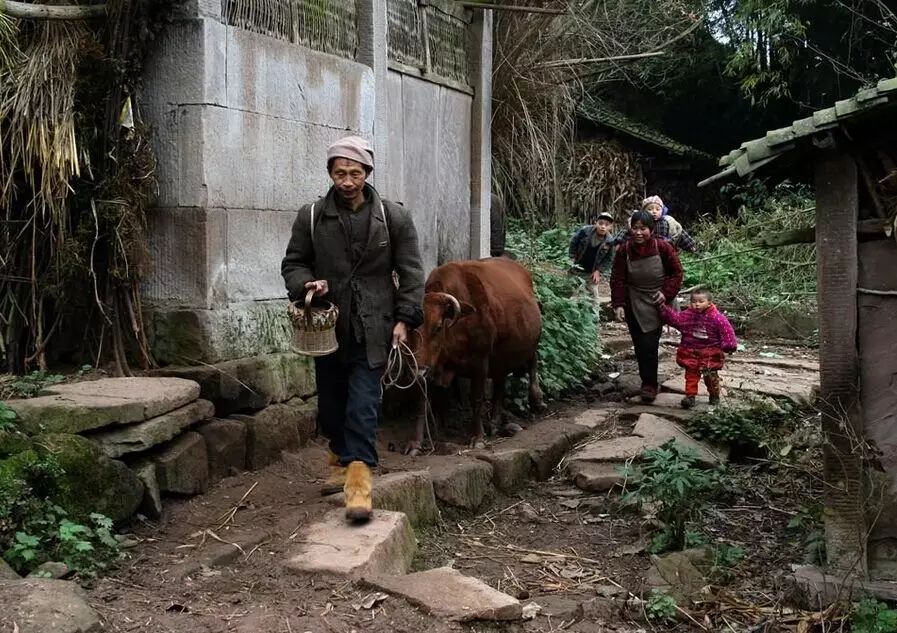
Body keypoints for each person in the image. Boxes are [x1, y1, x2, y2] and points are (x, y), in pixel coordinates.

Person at [281, 135, 425, 523]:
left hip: (375, 324)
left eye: (355, 173)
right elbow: (294, 263)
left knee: (363, 404)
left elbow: (411, 272)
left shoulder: (393, 217)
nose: (347, 181)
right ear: (330, 174)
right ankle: (337, 458)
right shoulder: (311, 217)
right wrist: (306, 284)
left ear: (368, 173)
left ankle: (358, 482)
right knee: (332, 404)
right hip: (328, 326)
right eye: (340, 173)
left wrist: (404, 319)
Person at [610, 210, 683, 402]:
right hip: (633, 300)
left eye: (643, 229)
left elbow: (676, 273)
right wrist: (618, 304)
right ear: (630, 229)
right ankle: (647, 381)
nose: (639, 233)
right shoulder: (624, 250)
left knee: (649, 343)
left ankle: (649, 385)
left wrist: (665, 293)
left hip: (657, 301)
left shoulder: (663, 247)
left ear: (651, 229)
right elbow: (617, 278)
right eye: (635, 228)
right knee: (640, 344)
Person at [659, 289, 738, 408]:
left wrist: (730, 345)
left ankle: (714, 395)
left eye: (701, 301)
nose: (697, 304)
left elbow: (727, 331)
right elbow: (676, 319)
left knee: (710, 377)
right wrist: (663, 309)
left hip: (710, 352)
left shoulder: (717, 318)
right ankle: (690, 396)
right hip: (691, 351)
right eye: (694, 301)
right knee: (691, 376)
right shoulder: (687, 315)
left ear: (710, 302)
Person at [569, 212, 616, 305]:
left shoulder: (610, 241)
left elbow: (609, 259)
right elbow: (574, 242)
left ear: (610, 227)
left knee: (594, 297)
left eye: (606, 225)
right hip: (576, 268)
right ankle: (569, 315)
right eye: (601, 223)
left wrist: (598, 271)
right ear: (596, 223)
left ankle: (595, 318)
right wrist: (572, 257)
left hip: (591, 272)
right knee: (572, 293)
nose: (603, 227)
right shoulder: (585, 231)